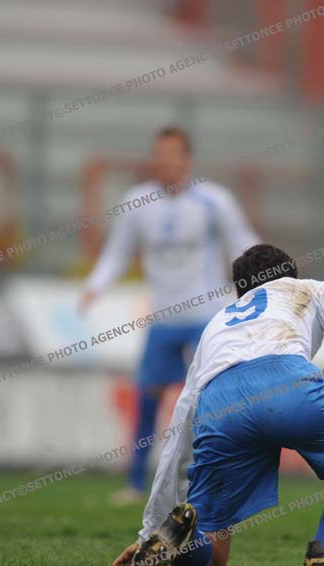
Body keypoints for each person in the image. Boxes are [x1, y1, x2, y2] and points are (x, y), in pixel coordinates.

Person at [112, 243, 324, 566]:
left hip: (220, 407)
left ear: (239, 293)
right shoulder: (303, 290)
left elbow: (179, 429)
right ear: (291, 277)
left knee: (213, 545)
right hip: (287, 386)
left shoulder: (218, 323)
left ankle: (176, 542)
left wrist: (150, 530)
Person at [80, 127, 259, 504]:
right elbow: (118, 252)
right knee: (147, 397)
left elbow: (242, 242)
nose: (163, 160)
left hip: (205, 316)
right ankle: (134, 484)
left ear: (186, 159)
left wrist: (263, 284)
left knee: (205, 401)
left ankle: (209, 481)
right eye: (158, 153)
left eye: (171, 153)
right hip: (162, 318)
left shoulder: (214, 200)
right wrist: (95, 285)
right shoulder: (137, 202)